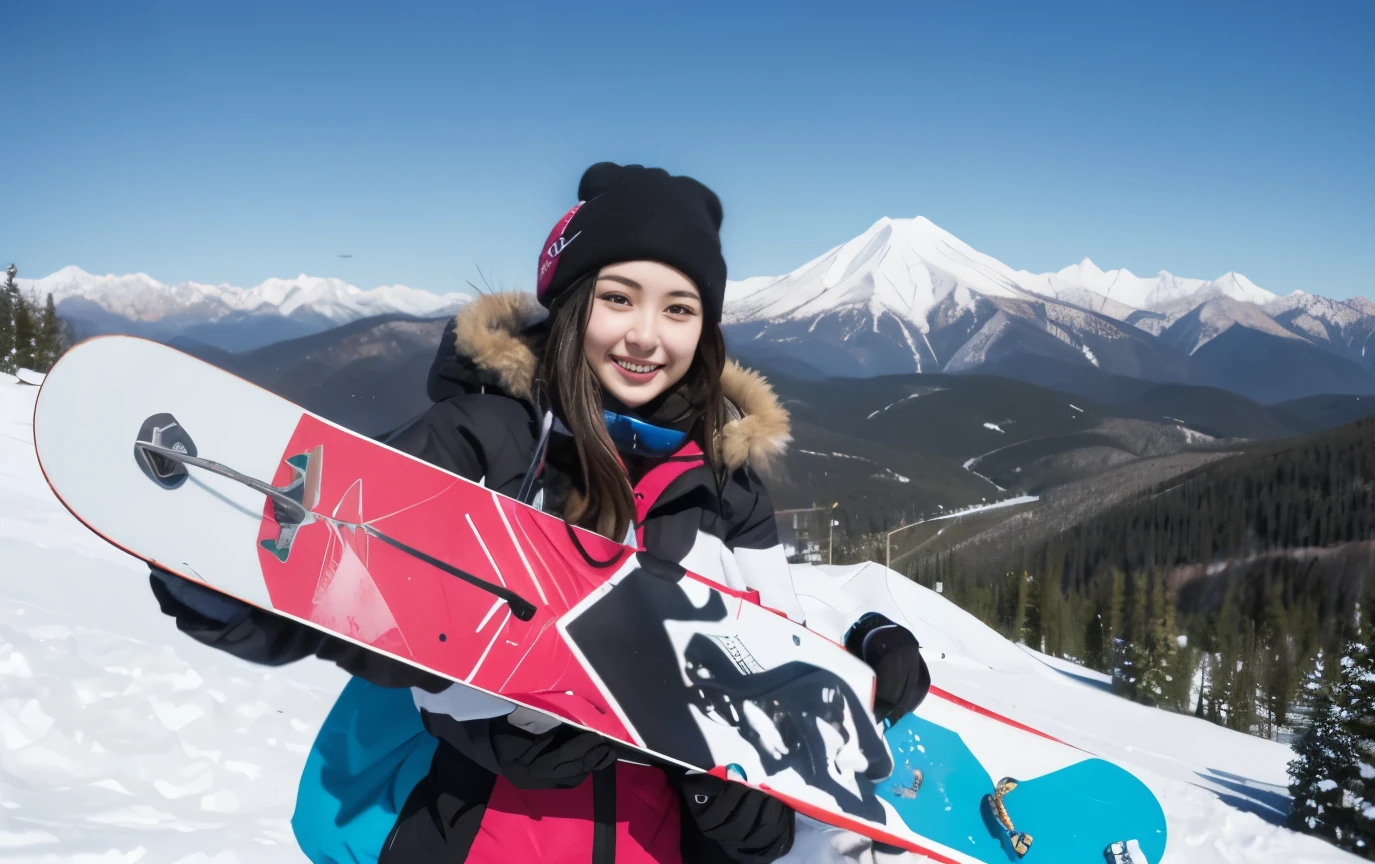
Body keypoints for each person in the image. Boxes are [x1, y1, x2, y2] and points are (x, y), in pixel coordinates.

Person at [146, 162, 931, 863]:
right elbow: (352, 568)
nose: (646, 337)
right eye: (618, 299)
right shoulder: (489, 440)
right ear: (570, 300)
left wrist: (846, 677)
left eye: (679, 310)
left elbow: (769, 670)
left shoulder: (728, 491)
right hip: (477, 834)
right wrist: (215, 570)